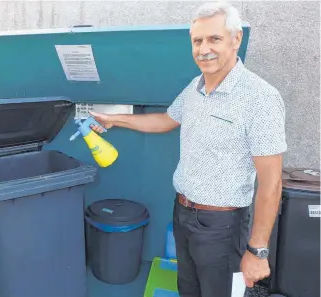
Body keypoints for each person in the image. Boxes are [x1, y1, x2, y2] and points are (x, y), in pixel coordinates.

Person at [89, 2, 286, 297]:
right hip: (183, 212)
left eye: (214, 39)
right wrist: (115, 120)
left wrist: (257, 251)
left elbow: (271, 184)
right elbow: (166, 120)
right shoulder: (195, 88)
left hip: (223, 226)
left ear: (236, 40)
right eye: (197, 40)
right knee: (188, 290)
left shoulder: (261, 98)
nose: (203, 48)